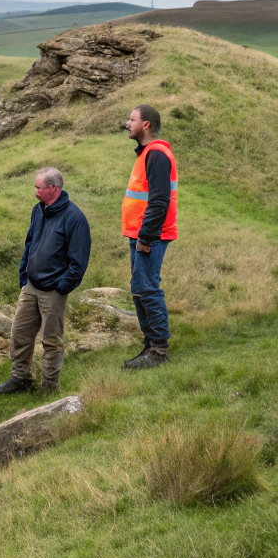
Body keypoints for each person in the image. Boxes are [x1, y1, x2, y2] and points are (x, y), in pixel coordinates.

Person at [0, 167, 91, 395]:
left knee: (51, 341)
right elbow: (29, 242)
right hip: (31, 286)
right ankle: (20, 379)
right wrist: (24, 275)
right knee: (20, 334)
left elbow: (79, 261)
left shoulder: (75, 218)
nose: (35, 192)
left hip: (53, 291)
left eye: (39, 188)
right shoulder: (39, 210)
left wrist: (62, 287)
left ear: (53, 188)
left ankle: (49, 388)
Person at [121, 104, 177, 370]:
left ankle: (158, 350)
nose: (127, 123)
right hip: (142, 234)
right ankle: (150, 344)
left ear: (146, 125)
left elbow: (159, 202)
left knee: (148, 288)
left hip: (150, 236)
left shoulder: (157, 155)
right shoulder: (147, 154)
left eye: (132, 119)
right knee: (139, 289)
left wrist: (145, 237)